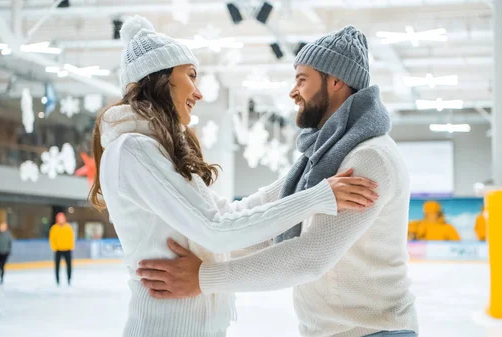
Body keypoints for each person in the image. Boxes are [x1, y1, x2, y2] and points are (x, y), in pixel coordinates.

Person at [89, 15, 379, 337]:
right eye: (191, 75)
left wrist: (304, 182)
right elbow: (217, 230)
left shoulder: (157, 148)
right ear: (159, 77)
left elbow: (228, 213)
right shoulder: (133, 151)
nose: (198, 93)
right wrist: (317, 197)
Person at [49, 212, 75, 286]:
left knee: (69, 266)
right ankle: (57, 280)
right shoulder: (54, 228)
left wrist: (70, 246)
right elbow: (52, 239)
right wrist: (54, 247)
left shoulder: (68, 227)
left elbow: (71, 238)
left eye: (62, 218)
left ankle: (69, 279)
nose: (61, 219)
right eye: (59, 218)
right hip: (58, 250)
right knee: (57, 266)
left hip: (67, 250)